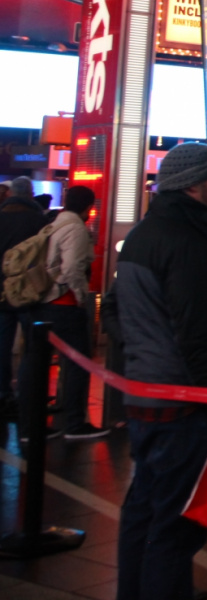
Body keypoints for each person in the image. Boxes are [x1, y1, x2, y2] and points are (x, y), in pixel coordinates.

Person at [113, 143, 207, 600]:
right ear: (194, 184)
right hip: (185, 400)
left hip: (145, 391)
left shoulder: (144, 233)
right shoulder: (189, 241)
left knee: (145, 510)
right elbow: (200, 330)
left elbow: (115, 315)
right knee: (177, 522)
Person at [20, 185, 108, 440]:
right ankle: (74, 423)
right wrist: (81, 296)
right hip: (64, 305)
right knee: (78, 364)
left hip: (41, 304)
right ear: (89, 206)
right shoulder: (76, 229)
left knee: (34, 366)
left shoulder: (53, 224)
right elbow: (71, 269)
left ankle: (30, 427)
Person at [0, 176, 46, 421]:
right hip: (30, 293)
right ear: (31, 193)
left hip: (1, 292)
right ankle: (27, 395)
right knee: (31, 347)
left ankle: (2, 392)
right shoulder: (37, 220)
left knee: (2, 346)